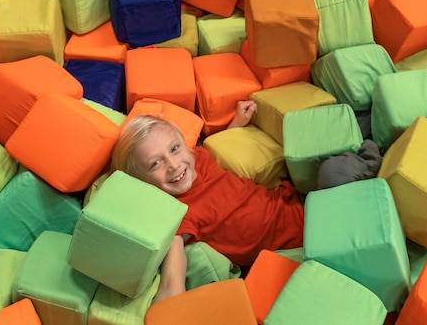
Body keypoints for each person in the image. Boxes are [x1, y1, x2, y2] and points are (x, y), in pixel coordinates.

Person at [110, 100, 304, 303]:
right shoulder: (177, 215)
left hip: (294, 200)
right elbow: (171, 284)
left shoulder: (197, 157)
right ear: (142, 184)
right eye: (155, 163)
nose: (174, 165)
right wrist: (168, 308)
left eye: (175, 148)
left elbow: (220, 157)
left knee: (334, 169)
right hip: (291, 249)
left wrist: (237, 123)